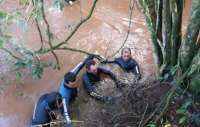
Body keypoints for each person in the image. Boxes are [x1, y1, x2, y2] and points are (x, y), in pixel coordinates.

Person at [58, 56, 91, 127]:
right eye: (73, 84)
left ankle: (76, 99)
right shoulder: (64, 95)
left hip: (71, 92)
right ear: (67, 83)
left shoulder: (72, 74)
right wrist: (69, 123)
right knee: (66, 110)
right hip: (65, 102)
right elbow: (65, 112)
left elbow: (79, 66)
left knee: (75, 95)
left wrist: (88, 58)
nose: (76, 85)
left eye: (76, 82)